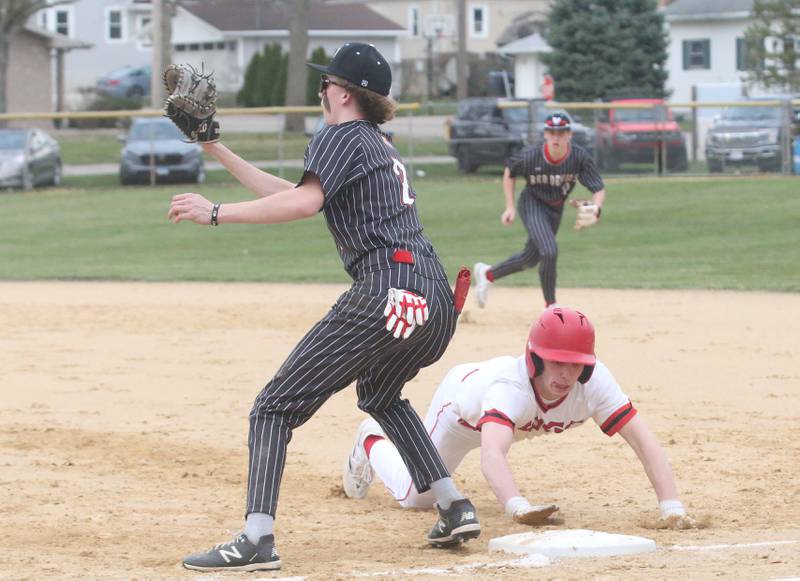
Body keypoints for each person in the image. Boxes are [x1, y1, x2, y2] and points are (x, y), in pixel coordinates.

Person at [167, 42, 479, 572]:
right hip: (433, 297)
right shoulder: (374, 143)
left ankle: (256, 537)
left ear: (340, 93)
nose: (320, 92)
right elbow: (296, 192)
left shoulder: (340, 134)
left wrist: (216, 213)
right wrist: (214, 147)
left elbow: (304, 202)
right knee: (381, 392)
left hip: (386, 288)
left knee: (272, 407)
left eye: (324, 83)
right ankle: (453, 504)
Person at [342, 306, 696, 531]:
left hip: (513, 422)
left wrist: (672, 507)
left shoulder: (594, 382)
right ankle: (372, 437)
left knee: (422, 495)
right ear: (535, 359)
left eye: (576, 364)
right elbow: (492, 454)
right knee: (415, 497)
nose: (567, 373)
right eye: (557, 361)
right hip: (461, 414)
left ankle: (380, 439)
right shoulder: (509, 387)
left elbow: (643, 441)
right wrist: (518, 506)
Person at [473, 113, 606, 310]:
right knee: (549, 251)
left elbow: (598, 188)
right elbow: (510, 170)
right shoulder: (531, 155)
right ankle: (551, 305)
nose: (556, 137)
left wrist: (596, 208)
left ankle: (487, 274)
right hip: (532, 203)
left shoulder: (578, 157)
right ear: (545, 134)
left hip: (555, 208)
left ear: (569, 135)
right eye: (551, 132)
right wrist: (509, 206)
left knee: (531, 258)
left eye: (561, 133)